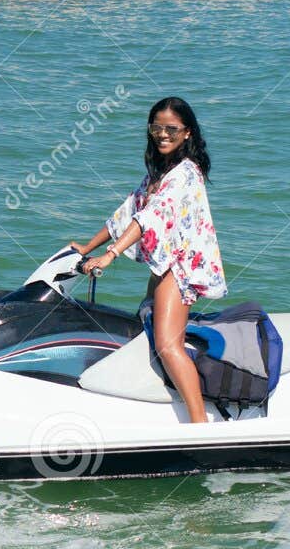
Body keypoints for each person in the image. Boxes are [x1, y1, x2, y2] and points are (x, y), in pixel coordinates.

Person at [71, 98, 226, 424]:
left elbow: (150, 217)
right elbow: (127, 212)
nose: (163, 135)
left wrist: (110, 255)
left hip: (181, 268)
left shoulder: (185, 174)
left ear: (187, 133)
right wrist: (88, 247)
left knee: (168, 345)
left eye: (172, 129)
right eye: (157, 128)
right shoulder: (160, 172)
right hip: (164, 265)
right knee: (145, 329)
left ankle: (200, 426)